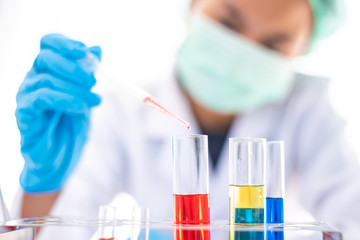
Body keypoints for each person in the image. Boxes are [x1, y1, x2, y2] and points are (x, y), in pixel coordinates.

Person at [14, 0, 360, 239]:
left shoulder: (307, 108)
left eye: (272, 46)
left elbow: (352, 221)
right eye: (227, 22)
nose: (239, 55)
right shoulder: (122, 112)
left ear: (303, 51)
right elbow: (58, 233)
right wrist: (44, 182)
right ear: (194, 5)